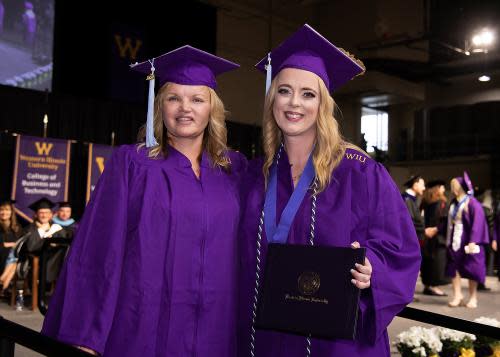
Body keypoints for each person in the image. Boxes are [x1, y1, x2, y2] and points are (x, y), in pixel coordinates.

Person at [42, 45, 245, 357]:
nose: (184, 108)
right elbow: (99, 250)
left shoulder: (235, 170)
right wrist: (86, 335)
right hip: (143, 328)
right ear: (159, 105)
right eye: (173, 97)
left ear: (212, 109)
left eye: (197, 99)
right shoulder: (133, 164)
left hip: (216, 332)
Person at [238, 24, 421, 357]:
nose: (294, 103)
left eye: (308, 94)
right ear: (272, 97)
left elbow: (399, 248)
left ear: (323, 104)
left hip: (334, 343)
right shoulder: (254, 174)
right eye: (284, 91)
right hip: (263, 337)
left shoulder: (360, 172)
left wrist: (371, 269)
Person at [446, 173, 489, 308]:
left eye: (454, 186)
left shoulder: (472, 203)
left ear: (460, 188)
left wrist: (473, 240)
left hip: (468, 239)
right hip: (455, 239)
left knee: (472, 268)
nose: (452, 189)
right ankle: (457, 295)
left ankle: (473, 297)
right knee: (454, 267)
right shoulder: (453, 203)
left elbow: (478, 222)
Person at [420, 180, 450, 296]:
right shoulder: (442, 203)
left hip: (427, 235)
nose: (443, 189)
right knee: (436, 262)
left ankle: (427, 285)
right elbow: (444, 220)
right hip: (437, 236)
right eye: (442, 187)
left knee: (428, 261)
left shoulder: (425, 202)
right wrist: (436, 229)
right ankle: (434, 286)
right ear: (437, 189)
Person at [0, 199, 22, 295]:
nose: (4, 212)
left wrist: (9, 245)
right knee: (15, 261)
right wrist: (11, 244)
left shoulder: (17, 227)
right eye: (1, 210)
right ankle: (2, 285)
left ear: (11, 212)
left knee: (15, 260)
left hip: (12, 255)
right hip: (2, 254)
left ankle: (1, 282)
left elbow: (20, 242)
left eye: (7, 210)